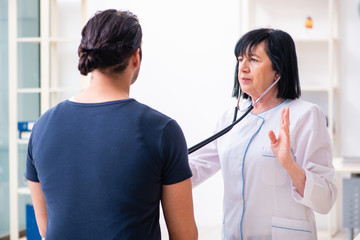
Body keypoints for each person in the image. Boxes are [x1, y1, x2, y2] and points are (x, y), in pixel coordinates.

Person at [26, 9, 198, 240]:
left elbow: (47, 229)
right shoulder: (162, 131)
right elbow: (184, 236)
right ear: (136, 58)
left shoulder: (41, 128)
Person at [189, 28, 336, 240]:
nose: (243, 67)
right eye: (240, 59)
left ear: (278, 69)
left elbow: (325, 200)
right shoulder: (230, 118)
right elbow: (194, 168)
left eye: (254, 60)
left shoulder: (305, 115)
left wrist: (289, 164)